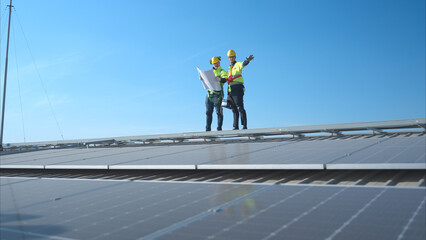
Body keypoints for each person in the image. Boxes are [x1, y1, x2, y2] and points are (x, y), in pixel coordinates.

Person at [226, 49, 254, 130]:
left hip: (237, 87)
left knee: (240, 107)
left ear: (235, 57)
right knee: (233, 109)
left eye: (232, 57)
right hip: (230, 89)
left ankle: (244, 125)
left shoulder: (237, 64)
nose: (231, 58)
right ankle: (235, 126)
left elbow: (243, 64)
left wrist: (247, 61)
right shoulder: (229, 68)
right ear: (228, 58)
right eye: (229, 57)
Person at [205, 56, 228, 131]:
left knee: (219, 112)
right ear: (212, 64)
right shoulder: (209, 72)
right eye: (214, 63)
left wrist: (220, 79)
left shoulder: (222, 71)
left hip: (218, 95)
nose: (216, 64)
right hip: (209, 94)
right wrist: (202, 78)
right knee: (208, 112)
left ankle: (219, 129)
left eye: (217, 63)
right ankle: (207, 129)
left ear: (219, 62)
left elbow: (225, 79)